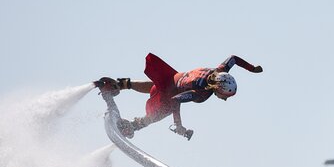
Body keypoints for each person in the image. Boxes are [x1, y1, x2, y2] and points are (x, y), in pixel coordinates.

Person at [95, 52, 263, 140]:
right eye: (224, 95)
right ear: (218, 88)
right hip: (171, 92)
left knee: (159, 86)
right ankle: (133, 126)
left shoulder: (218, 72)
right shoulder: (201, 92)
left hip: (173, 78)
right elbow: (176, 100)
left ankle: (120, 84)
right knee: (161, 110)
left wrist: (251, 68)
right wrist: (179, 126)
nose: (224, 99)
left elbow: (233, 58)